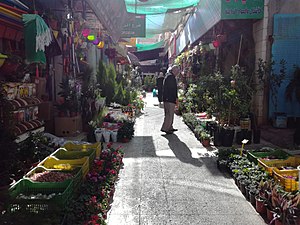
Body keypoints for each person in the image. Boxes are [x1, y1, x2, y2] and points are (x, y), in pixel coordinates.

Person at [160, 65, 180, 134]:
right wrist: (176, 98)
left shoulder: (169, 76)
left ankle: (170, 127)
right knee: (169, 114)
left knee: (169, 114)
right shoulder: (171, 77)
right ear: (174, 70)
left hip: (167, 98)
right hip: (169, 99)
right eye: (177, 71)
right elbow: (173, 89)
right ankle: (165, 128)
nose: (178, 73)